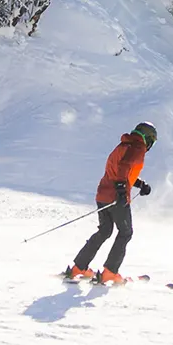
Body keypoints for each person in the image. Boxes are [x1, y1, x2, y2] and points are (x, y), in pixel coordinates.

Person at [64, 122, 154, 284]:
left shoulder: (123, 145)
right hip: (116, 197)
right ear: (148, 138)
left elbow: (121, 170)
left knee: (105, 231)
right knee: (126, 232)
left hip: (103, 194)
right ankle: (110, 272)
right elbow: (123, 168)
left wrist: (140, 184)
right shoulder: (137, 147)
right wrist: (120, 189)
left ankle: (79, 267)